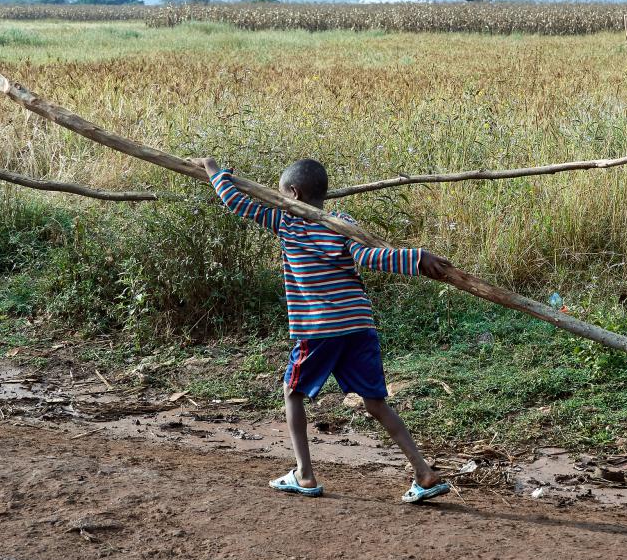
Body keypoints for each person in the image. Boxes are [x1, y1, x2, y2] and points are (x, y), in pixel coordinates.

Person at [190, 156, 452, 504]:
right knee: (374, 402)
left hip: (319, 328)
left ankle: (304, 474)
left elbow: (237, 203)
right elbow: (370, 256)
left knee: (292, 392)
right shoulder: (342, 222)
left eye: (281, 193)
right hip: (358, 325)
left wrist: (212, 169)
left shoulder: (286, 222)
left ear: (293, 194)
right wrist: (416, 257)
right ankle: (423, 472)